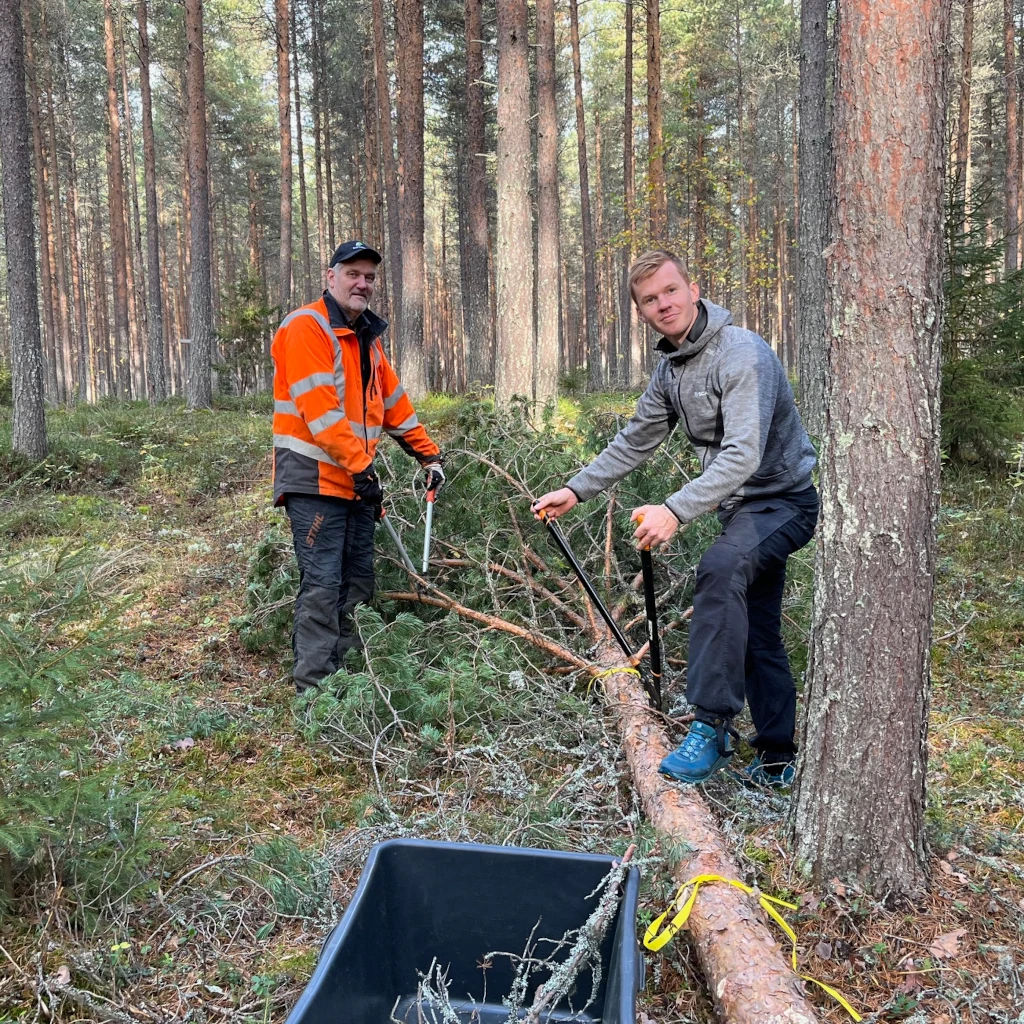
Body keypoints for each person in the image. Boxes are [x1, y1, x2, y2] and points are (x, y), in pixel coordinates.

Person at [533, 251, 818, 787]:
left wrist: (674, 510)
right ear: (640, 312)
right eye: (649, 299)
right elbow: (635, 439)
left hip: (784, 503)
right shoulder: (672, 368)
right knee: (755, 629)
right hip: (740, 508)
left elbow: (743, 455)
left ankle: (711, 726)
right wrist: (576, 489)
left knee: (720, 570)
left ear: (692, 289)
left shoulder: (741, 354)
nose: (663, 304)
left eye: (670, 291)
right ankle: (778, 757)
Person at [271, 240, 444, 693]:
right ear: (331, 277)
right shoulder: (307, 327)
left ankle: (345, 677)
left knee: (358, 582)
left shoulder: (366, 339)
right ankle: (313, 689)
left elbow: (393, 405)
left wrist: (427, 453)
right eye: (352, 274)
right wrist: (364, 469)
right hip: (314, 482)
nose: (362, 283)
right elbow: (321, 414)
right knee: (323, 585)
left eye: (369, 276)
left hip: (353, 483)